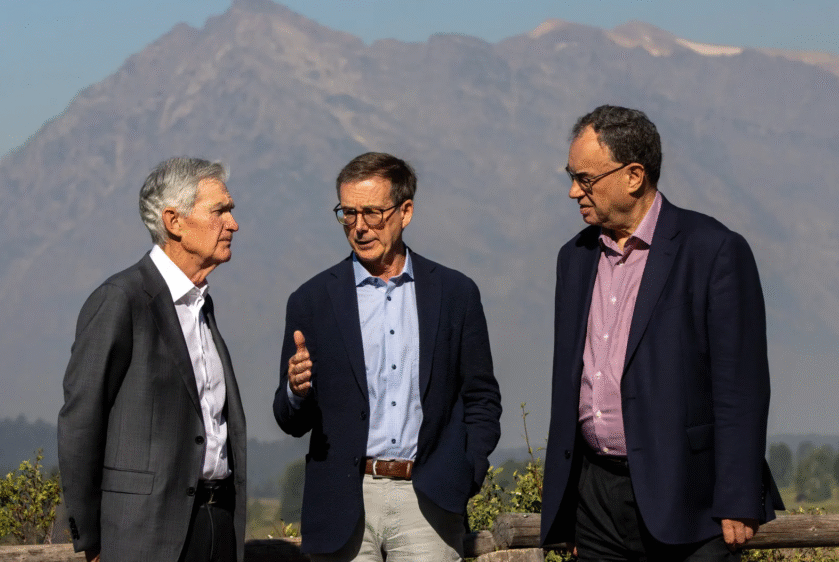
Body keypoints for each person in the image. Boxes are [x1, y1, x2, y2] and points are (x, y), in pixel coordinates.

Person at [540, 106, 783, 561]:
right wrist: (568, 502)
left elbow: (741, 386)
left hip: (689, 500)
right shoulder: (573, 258)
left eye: (586, 180)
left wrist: (738, 495)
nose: (574, 192)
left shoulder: (712, 250)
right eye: (572, 177)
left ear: (633, 176)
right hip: (595, 502)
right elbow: (571, 380)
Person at [273, 152, 502, 561]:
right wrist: (296, 390)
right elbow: (290, 420)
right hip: (342, 504)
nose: (359, 227)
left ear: (405, 211)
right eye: (348, 213)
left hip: (428, 500)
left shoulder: (455, 293)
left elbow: (481, 397)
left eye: (373, 213)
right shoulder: (312, 300)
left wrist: (467, 470)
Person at [58, 158, 246, 562]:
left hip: (216, 525)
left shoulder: (201, 305)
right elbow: (81, 422)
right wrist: (91, 539)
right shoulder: (121, 299)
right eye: (219, 211)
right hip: (143, 536)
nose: (232, 224)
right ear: (174, 222)